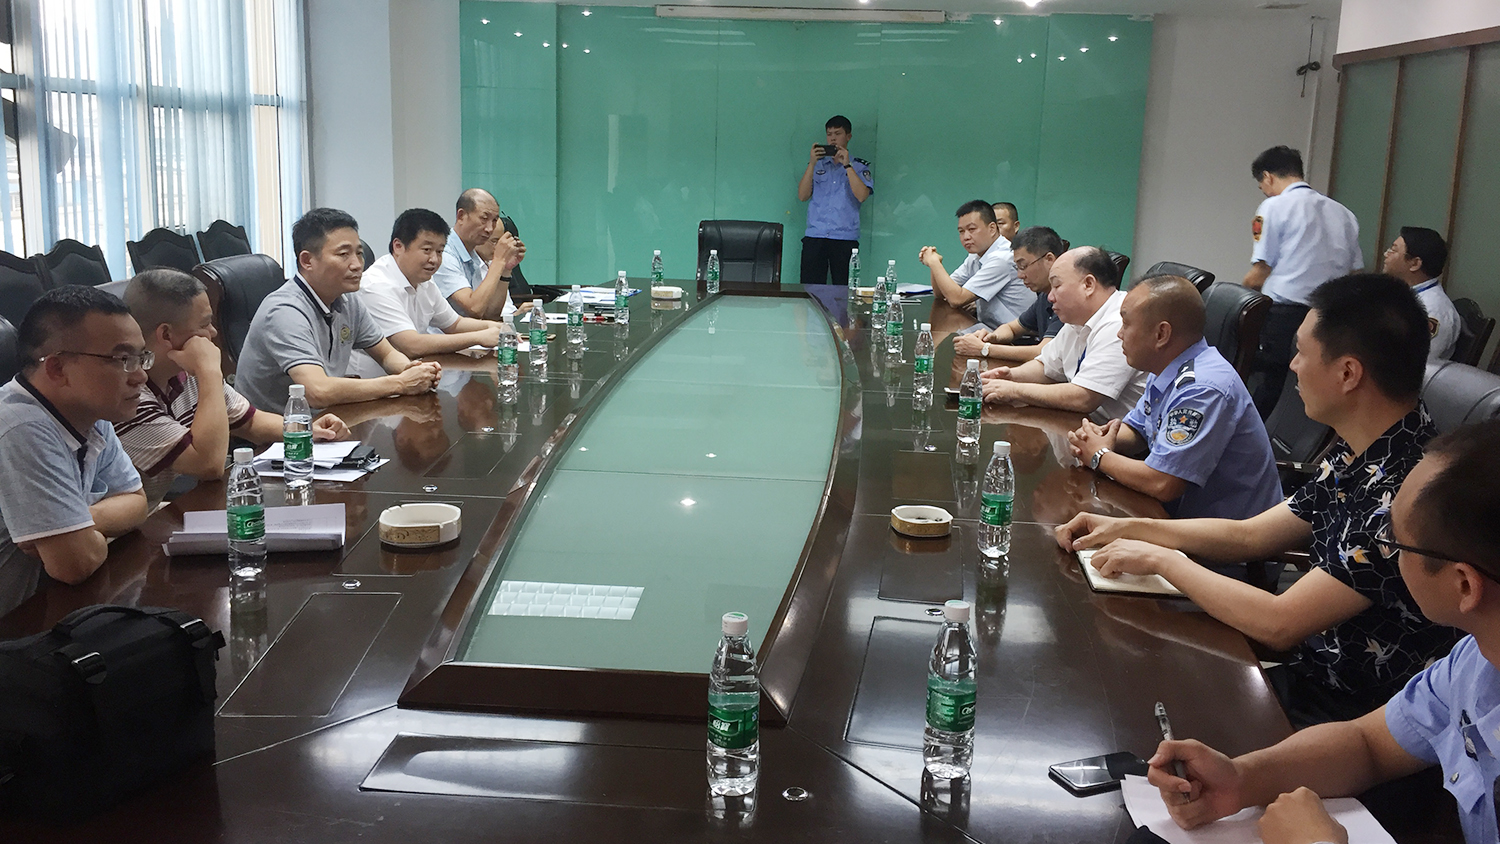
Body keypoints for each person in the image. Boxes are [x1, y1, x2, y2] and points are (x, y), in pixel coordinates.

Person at [1057, 274, 1461, 727]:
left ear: (1348, 373)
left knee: (1131, 702)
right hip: (1310, 674)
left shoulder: (1404, 490)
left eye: (1302, 353)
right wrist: (1128, 528)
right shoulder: (1366, 449)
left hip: (1358, 717)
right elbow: (1251, 535)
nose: (1292, 366)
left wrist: (1161, 558)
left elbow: (1280, 623)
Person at [1144, 418, 1500, 844]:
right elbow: (1368, 743)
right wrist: (1240, 779)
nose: (1383, 544)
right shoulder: (1474, 660)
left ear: (1464, 585)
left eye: (1394, 538)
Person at [117, 269, 350, 506]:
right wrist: (209, 372)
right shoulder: (128, 394)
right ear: (166, 334)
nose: (213, 332)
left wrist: (304, 430)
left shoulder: (188, 370)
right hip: (135, 524)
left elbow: (250, 422)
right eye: (205, 324)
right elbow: (208, 465)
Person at [1067, 274, 1282, 520]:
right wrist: (1101, 438)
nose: (1119, 334)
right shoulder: (1166, 367)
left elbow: (1163, 483)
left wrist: (1099, 456)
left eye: (1126, 324)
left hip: (1224, 536)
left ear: (1161, 334)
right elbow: (1140, 431)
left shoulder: (1202, 388)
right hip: (1178, 520)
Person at [0, 286, 148, 616]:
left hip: (47, 610)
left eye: (141, 358)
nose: (140, 375)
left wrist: (77, 521)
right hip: (14, 629)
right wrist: (75, 534)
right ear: (57, 369)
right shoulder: (19, 426)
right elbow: (75, 564)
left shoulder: (90, 414)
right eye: (123, 360)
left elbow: (137, 502)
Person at [235, 207, 443, 413]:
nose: (357, 265)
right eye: (344, 254)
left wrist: (412, 370)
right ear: (307, 261)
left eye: (359, 253)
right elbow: (317, 391)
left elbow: (387, 354)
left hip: (327, 418)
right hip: (280, 429)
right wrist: (401, 383)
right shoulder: (284, 311)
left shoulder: (347, 299)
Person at [1242, 145, 1362, 416]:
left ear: (1267, 176)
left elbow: (1259, 272)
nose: (1265, 192)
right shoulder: (1344, 214)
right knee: (1312, 390)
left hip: (1283, 317)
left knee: (1269, 386)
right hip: (1331, 319)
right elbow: (1355, 275)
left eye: (1262, 186)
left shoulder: (1273, 206)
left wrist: (1239, 299)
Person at [980, 246, 1147, 422]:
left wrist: (1014, 390)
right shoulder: (1078, 319)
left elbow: (1083, 397)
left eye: (1057, 286)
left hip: (1117, 433)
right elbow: (1047, 366)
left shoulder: (1119, 323)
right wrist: (1011, 376)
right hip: (1083, 424)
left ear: (1088, 285)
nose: (1050, 297)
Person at [350, 209, 513, 378]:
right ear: (398, 246)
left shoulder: (425, 281)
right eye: (427, 250)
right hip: (372, 385)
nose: (434, 259)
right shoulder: (376, 286)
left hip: (412, 378)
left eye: (440, 251)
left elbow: (455, 324)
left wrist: (496, 328)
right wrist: (479, 337)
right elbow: (411, 345)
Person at [952, 226, 1065, 363]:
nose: (1020, 275)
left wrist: (985, 349)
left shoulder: (1067, 297)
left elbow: (1044, 352)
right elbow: (1012, 328)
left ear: (1049, 259)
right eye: (1017, 268)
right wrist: (991, 337)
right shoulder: (1044, 296)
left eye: (1023, 266)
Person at [920, 201, 1033, 329]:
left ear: (992, 229)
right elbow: (941, 293)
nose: (966, 237)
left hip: (1018, 336)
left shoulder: (1002, 258)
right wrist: (934, 265)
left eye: (972, 229)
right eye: (961, 231)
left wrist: (934, 263)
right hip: (989, 329)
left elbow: (957, 299)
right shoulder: (975, 256)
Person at [797, 115, 872, 286]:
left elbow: (862, 196)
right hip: (816, 236)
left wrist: (847, 165)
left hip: (844, 238)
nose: (832, 138)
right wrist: (812, 164)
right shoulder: (818, 165)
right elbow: (802, 196)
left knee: (844, 289)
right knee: (810, 289)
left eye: (838, 134)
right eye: (829, 134)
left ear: (848, 136)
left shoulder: (859, 166)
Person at [431, 188, 523, 320]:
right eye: (484, 219)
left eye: (494, 221)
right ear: (461, 216)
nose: (489, 229)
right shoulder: (444, 254)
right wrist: (498, 261)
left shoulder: (472, 253)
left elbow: (490, 315)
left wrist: (506, 270)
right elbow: (474, 309)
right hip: (444, 333)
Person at [1381, 226, 1459, 361]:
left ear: (1415, 263)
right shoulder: (1403, 294)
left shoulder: (1433, 310)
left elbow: (1417, 363)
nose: (1386, 254)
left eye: (1393, 250)